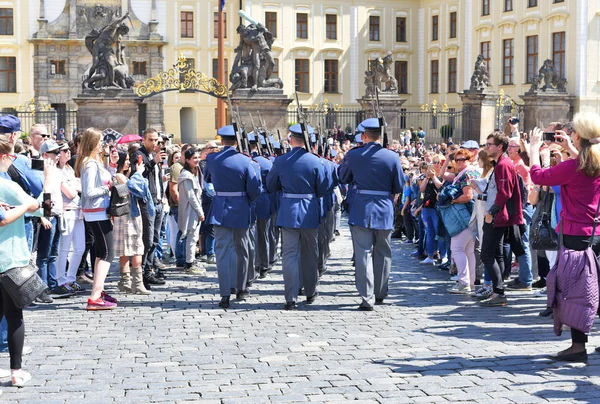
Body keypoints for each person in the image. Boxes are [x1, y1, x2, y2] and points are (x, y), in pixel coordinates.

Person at [529, 112, 600, 363]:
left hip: (575, 235)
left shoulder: (573, 166)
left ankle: (578, 347)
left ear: (578, 136)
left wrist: (535, 150)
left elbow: (538, 177)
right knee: (596, 287)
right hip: (596, 232)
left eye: (571, 134)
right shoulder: (593, 162)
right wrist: (572, 148)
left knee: (575, 291)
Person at [0, 139, 54, 386]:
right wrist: (49, 178)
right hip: (9, 260)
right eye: (11, 158)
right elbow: (42, 208)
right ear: (3, 158)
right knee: (14, 316)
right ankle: (15, 372)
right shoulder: (6, 185)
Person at [339, 118, 403, 311]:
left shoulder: (354, 155)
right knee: (383, 252)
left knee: (363, 253)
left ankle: (367, 298)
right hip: (383, 207)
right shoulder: (392, 157)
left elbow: (343, 177)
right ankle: (380, 292)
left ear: (364, 135)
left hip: (361, 208)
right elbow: (398, 185)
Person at [266, 124, 328, 310]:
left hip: (289, 211)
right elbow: (323, 188)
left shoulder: (281, 161)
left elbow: (270, 186)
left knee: (289, 255)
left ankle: (290, 297)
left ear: (291, 139)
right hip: (309, 211)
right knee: (310, 253)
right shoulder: (316, 161)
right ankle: (310, 292)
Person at [205, 126, 261, 309]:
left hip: (220, 207)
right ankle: (241, 287)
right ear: (237, 141)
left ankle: (224, 293)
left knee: (222, 252)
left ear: (222, 141)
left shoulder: (212, 159)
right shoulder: (246, 161)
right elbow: (254, 189)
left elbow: (208, 179)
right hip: (241, 208)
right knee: (242, 249)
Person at [479, 131, 523, 307]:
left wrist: (491, 212)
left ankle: (499, 292)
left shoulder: (504, 165)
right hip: (498, 215)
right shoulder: (500, 164)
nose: (487, 147)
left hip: (497, 216)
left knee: (486, 254)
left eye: (489, 144)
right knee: (496, 254)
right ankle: (498, 291)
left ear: (499, 147)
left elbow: (505, 193)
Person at [76, 128, 118, 310]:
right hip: (97, 212)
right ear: (93, 143)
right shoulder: (90, 164)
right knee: (108, 253)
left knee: (102, 252)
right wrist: (107, 188)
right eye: (100, 141)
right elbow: (89, 191)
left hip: (98, 211)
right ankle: (95, 295)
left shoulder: (94, 162)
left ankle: (98, 291)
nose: (103, 144)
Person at [130, 128, 167, 288]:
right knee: (147, 239)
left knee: (156, 240)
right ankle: (143, 273)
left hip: (158, 202)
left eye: (156, 140)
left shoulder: (154, 155)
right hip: (147, 203)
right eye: (151, 140)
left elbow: (157, 180)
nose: (154, 143)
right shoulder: (139, 155)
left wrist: (162, 196)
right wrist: (153, 162)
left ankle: (149, 270)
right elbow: (138, 177)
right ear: (143, 140)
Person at [112, 151, 151, 295]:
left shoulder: (124, 175)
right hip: (127, 216)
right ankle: (136, 283)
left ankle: (126, 282)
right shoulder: (119, 175)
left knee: (126, 249)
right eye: (126, 160)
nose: (129, 163)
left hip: (127, 215)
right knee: (135, 248)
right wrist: (138, 173)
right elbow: (133, 188)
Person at [444, 149, 480, 294]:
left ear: (469, 159)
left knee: (457, 249)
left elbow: (468, 196)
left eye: (462, 159)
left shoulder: (466, 174)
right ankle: (469, 282)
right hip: (472, 215)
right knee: (468, 251)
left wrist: (453, 200)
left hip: (464, 215)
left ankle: (464, 282)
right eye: (457, 159)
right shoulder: (472, 172)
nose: (459, 162)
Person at [56, 142, 86, 295]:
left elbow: (80, 186)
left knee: (80, 248)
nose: (68, 153)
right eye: (64, 151)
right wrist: (74, 185)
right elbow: (71, 193)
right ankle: (60, 280)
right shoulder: (56, 171)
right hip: (67, 210)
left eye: (68, 150)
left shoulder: (69, 168)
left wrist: (74, 185)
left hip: (78, 210)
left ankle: (71, 279)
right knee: (64, 249)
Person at [177, 148, 206, 275]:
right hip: (191, 211)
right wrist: (200, 212)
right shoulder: (186, 175)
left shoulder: (194, 172)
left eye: (198, 157)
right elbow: (191, 196)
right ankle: (189, 263)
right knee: (191, 237)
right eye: (194, 158)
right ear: (187, 160)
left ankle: (191, 260)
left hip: (194, 209)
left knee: (193, 237)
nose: (197, 160)